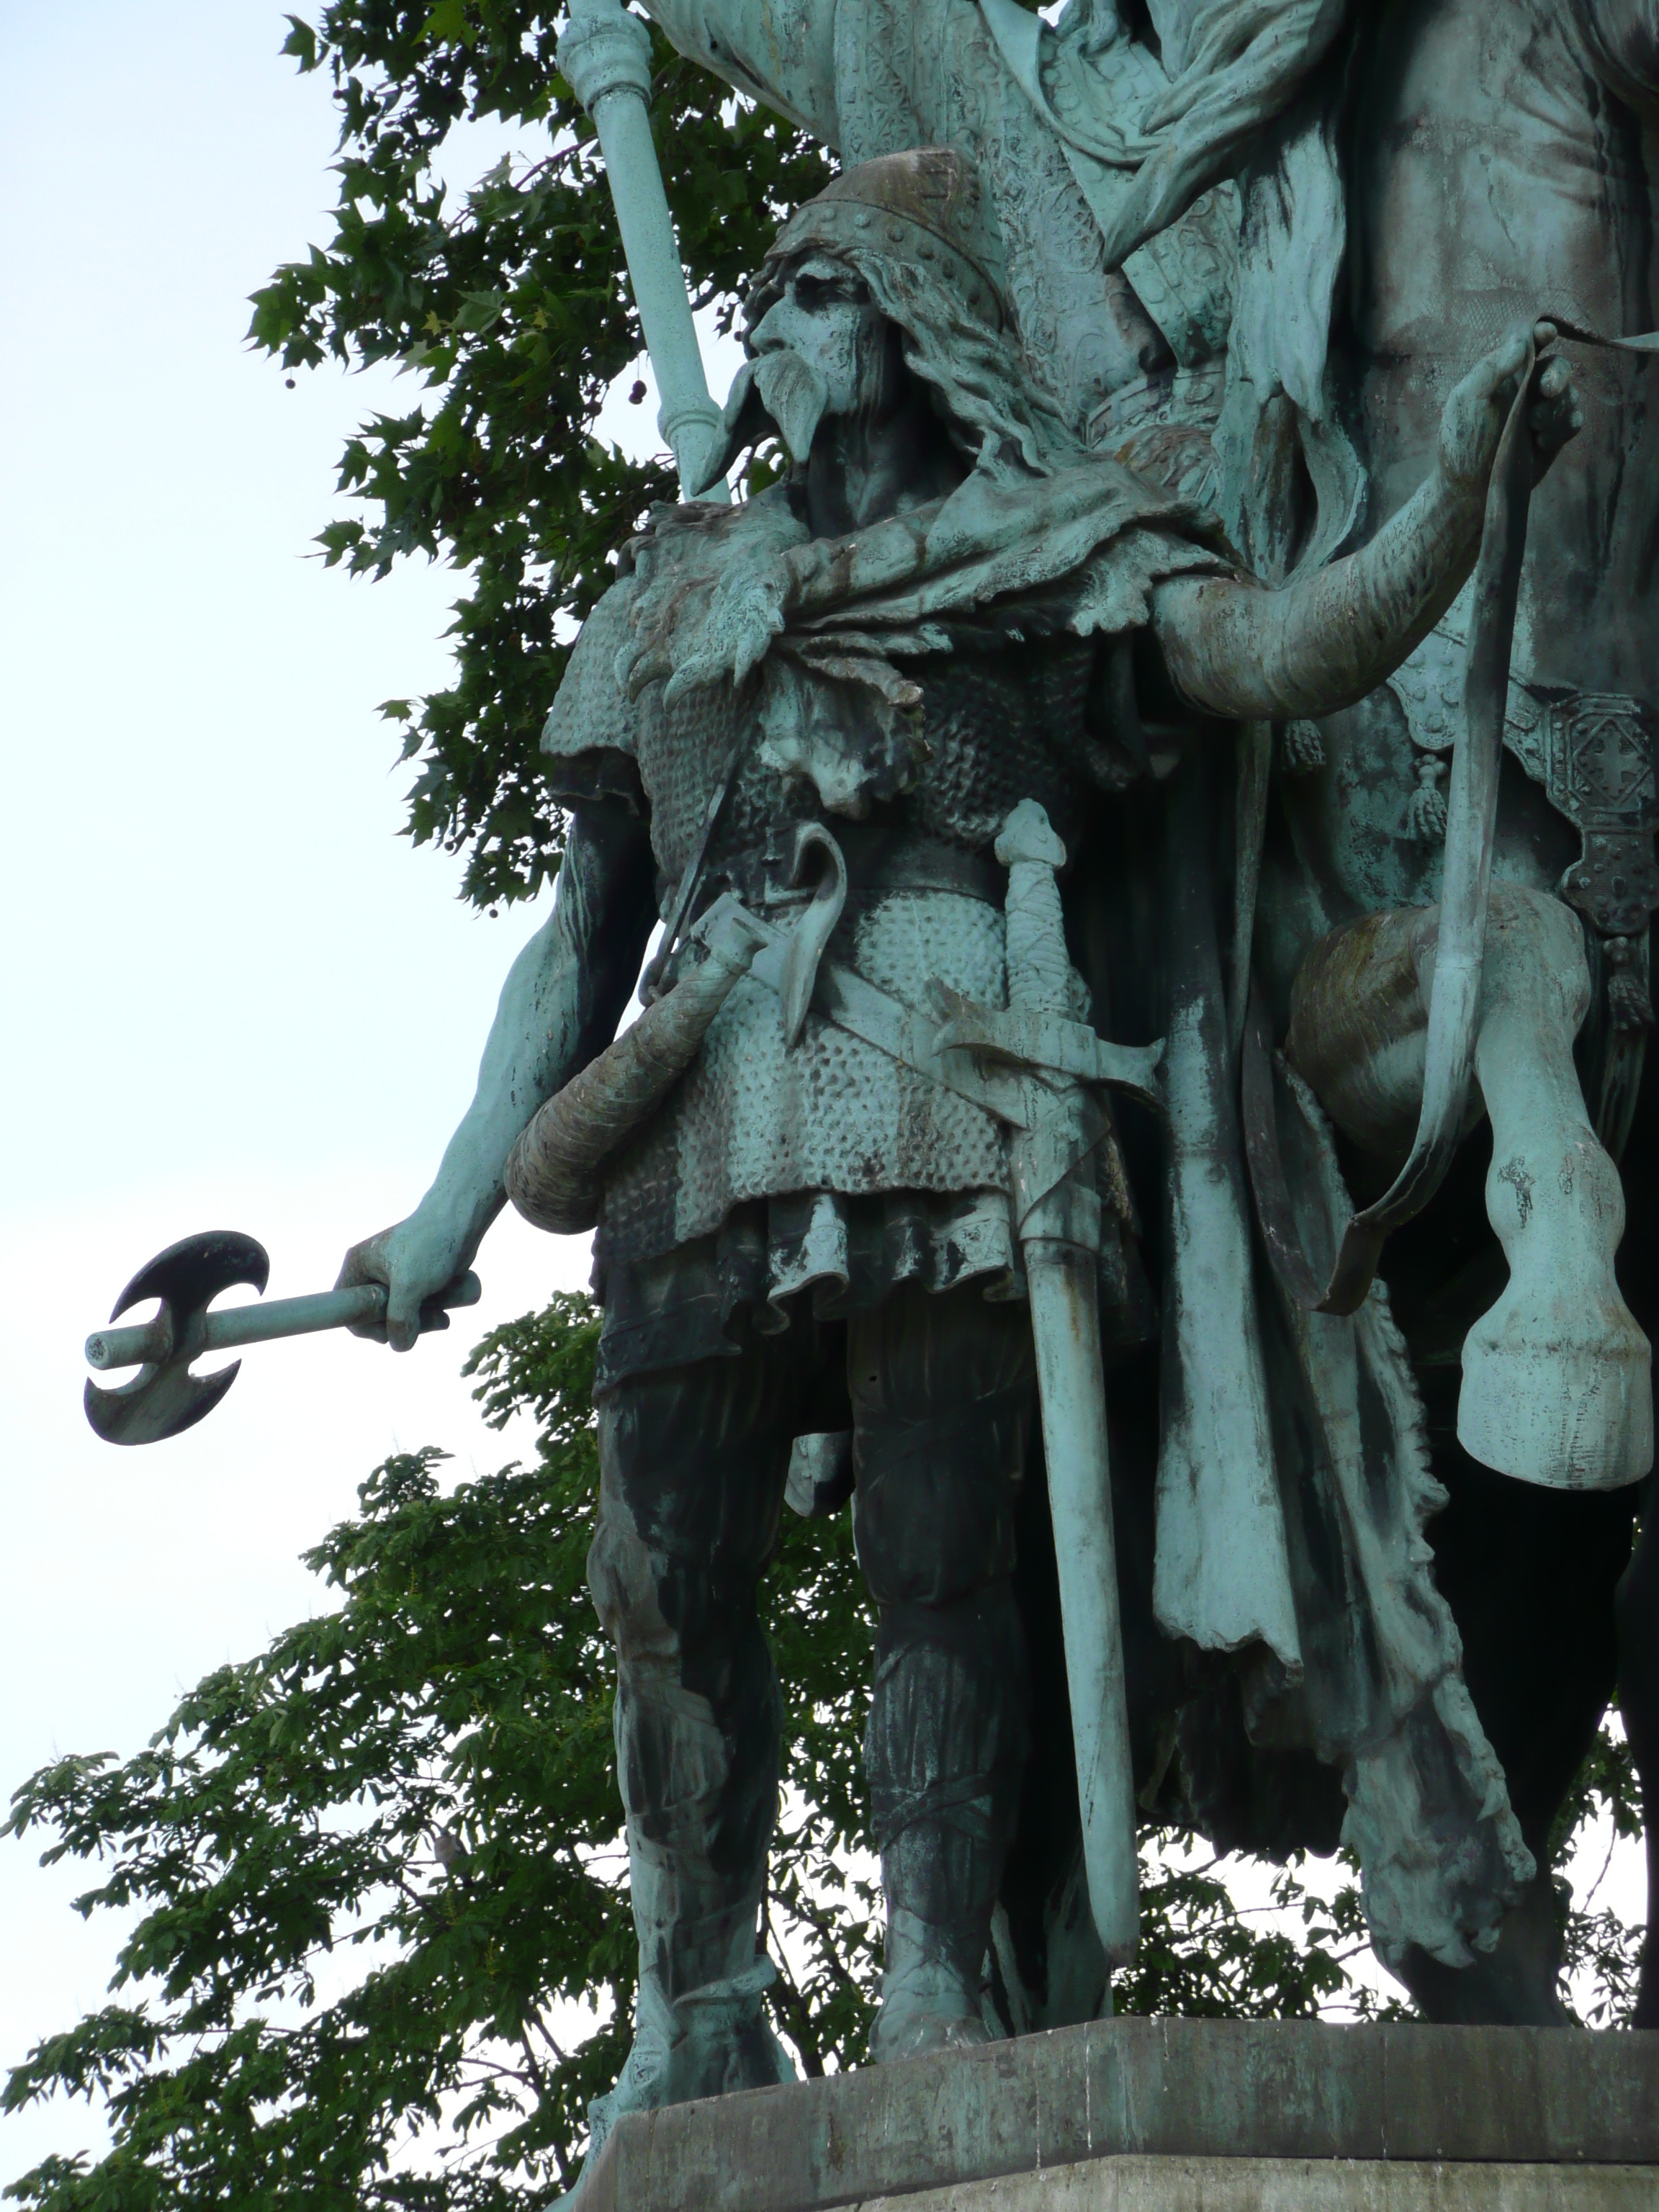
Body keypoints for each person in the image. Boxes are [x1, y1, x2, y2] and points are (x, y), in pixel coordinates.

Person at [338, 150, 1578, 2147]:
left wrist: (1461, 491)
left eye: (815, 294)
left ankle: (929, 1970)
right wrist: (440, 1205)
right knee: (659, 1577)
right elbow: (577, 940)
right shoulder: (667, 599)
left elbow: (1286, 651)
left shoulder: (1050, 550)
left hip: (958, 1092)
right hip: (690, 1109)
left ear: (911, 325)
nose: (770, 329)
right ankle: (702, 2001)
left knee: (939, 1571)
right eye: (757, 305)